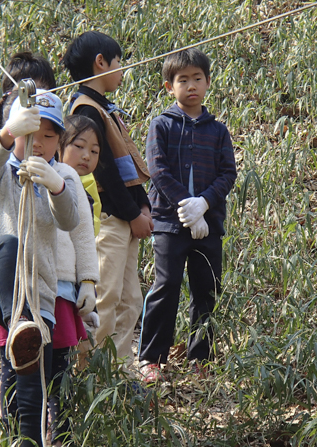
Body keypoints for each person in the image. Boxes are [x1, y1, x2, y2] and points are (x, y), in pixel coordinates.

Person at [0, 83, 81, 447]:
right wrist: (7, 132)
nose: (39, 143)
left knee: (29, 378)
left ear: (59, 141)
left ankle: (27, 442)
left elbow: (71, 220)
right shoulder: (0, 170)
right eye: (30, 133)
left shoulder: (58, 178)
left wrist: (56, 186)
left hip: (36, 298)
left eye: (48, 136)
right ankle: (19, 326)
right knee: (7, 245)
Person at [138, 48, 237, 383]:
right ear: (170, 87)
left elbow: (228, 174)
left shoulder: (218, 131)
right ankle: (151, 358)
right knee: (166, 286)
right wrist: (187, 207)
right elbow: (158, 171)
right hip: (168, 221)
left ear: (208, 82)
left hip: (209, 224)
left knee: (206, 289)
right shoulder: (161, 125)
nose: (191, 85)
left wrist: (204, 206)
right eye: (183, 80)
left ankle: (201, 359)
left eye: (197, 78)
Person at [62, 31, 152, 368]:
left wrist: (143, 205)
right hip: (109, 218)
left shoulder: (104, 109)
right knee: (105, 296)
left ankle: (120, 372)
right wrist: (132, 213)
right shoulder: (85, 111)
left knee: (130, 298)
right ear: (100, 62)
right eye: (118, 63)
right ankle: (89, 373)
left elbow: (124, 160)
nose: (121, 70)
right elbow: (105, 172)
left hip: (125, 216)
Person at [48, 115, 103, 447]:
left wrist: (88, 284)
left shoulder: (86, 187)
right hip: (39, 285)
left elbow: (85, 241)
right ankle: (19, 426)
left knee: (61, 367)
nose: (87, 156)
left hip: (67, 288)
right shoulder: (46, 178)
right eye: (79, 146)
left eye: (94, 150)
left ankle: (62, 435)